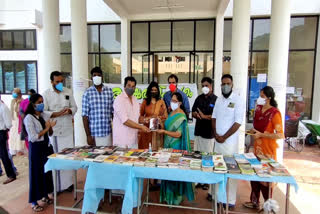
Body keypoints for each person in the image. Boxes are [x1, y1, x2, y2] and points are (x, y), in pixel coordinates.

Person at [243, 86, 284, 210]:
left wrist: (262, 135)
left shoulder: (275, 113)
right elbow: (257, 127)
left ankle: (268, 205)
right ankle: (255, 201)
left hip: (267, 151)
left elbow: (280, 134)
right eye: (259, 96)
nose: (259, 99)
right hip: (256, 148)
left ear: (269, 97)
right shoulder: (258, 109)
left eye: (262, 96)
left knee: (266, 178)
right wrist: (253, 131)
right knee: (255, 174)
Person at [212, 74, 245, 209]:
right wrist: (215, 134)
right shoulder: (219, 100)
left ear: (232, 85)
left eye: (228, 84)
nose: (225, 86)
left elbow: (238, 122)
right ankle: (217, 197)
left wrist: (224, 136)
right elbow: (213, 117)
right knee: (217, 168)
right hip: (217, 142)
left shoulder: (238, 100)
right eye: (223, 84)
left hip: (229, 143)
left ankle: (230, 200)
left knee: (231, 171)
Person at [156, 92, 194, 205]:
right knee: (167, 171)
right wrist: (160, 124)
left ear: (180, 103)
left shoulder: (182, 116)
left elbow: (178, 134)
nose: (172, 103)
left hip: (176, 147)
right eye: (172, 100)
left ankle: (175, 198)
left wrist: (164, 131)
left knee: (174, 172)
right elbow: (167, 127)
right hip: (167, 146)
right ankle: (168, 197)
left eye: (175, 101)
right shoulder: (171, 113)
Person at [43, 71, 77, 192]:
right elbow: (44, 112)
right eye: (57, 82)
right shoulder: (46, 94)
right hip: (56, 131)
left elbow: (75, 107)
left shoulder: (67, 91)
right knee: (58, 159)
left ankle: (68, 184)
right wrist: (56, 114)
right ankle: (57, 187)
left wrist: (69, 111)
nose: (60, 84)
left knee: (69, 157)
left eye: (61, 81)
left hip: (67, 129)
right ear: (52, 82)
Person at [24, 93, 55, 212]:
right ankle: (33, 201)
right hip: (36, 149)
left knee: (46, 173)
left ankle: (45, 195)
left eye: (42, 102)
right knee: (36, 174)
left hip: (45, 148)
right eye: (39, 102)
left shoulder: (42, 116)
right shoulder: (29, 118)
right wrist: (46, 128)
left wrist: (50, 127)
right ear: (32, 104)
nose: (41, 104)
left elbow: (50, 133)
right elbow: (33, 137)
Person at [192, 77, 217, 194]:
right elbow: (192, 112)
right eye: (203, 86)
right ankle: (198, 180)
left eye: (206, 85)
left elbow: (216, 116)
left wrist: (205, 116)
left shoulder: (216, 100)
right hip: (198, 132)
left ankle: (206, 181)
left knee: (207, 157)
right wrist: (197, 115)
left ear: (211, 86)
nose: (204, 88)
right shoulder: (199, 98)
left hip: (209, 133)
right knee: (197, 155)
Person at [113, 76, 150, 148]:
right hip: (122, 141)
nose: (131, 88)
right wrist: (141, 127)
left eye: (133, 86)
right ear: (124, 86)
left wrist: (145, 120)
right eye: (129, 85)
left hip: (133, 140)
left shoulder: (135, 99)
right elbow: (125, 121)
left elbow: (137, 118)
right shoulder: (119, 100)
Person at [82, 67, 114, 146]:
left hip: (107, 132)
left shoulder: (109, 91)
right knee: (95, 157)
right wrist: (88, 135)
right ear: (91, 78)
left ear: (102, 77)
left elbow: (113, 113)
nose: (97, 77)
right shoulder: (87, 93)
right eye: (94, 75)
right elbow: (84, 116)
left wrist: (116, 132)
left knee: (108, 156)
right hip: (94, 134)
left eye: (99, 75)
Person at [138, 81, 167, 149]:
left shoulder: (161, 102)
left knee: (157, 154)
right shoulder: (145, 102)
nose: (153, 92)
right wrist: (146, 119)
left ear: (158, 91)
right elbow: (140, 117)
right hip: (147, 131)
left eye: (155, 90)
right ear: (149, 91)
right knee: (146, 153)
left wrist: (158, 118)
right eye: (152, 90)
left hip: (157, 133)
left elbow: (166, 116)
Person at [0, 98, 16, 184]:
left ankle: (11, 175)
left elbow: (8, 124)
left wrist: (4, 132)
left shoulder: (3, 108)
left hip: (1, 133)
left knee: (4, 155)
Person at [9, 88, 25, 155]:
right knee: (13, 134)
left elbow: (18, 111)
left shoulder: (22, 101)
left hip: (20, 120)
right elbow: (11, 110)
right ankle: (14, 149)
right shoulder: (12, 101)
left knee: (19, 134)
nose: (13, 94)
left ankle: (20, 149)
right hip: (14, 120)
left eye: (15, 93)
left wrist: (18, 102)